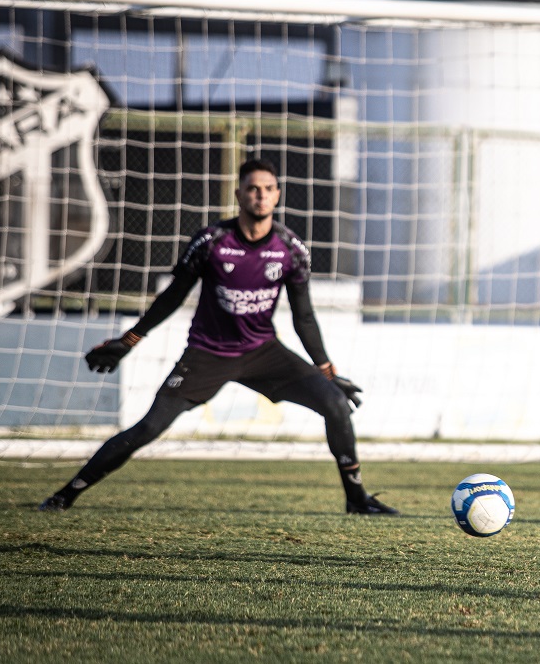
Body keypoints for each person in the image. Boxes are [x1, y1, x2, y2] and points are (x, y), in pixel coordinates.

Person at [40, 158, 398, 515]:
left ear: (277, 195)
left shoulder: (290, 249)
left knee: (335, 403)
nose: (260, 196)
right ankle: (65, 494)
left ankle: (357, 499)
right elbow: (173, 296)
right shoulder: (212, 241)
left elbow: (304, 316)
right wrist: (130, 340)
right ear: (239, 193)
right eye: (253, 189)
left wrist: (328, 373)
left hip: (263, 352)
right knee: (150, 426)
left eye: (268, 189)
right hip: (207, 354)